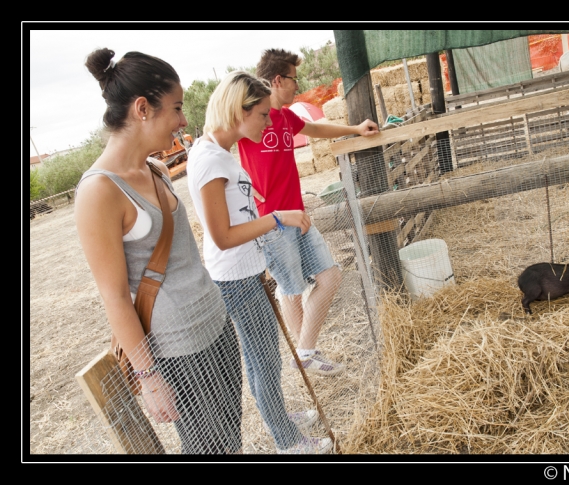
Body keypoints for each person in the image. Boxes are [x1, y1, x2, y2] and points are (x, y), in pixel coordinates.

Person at [76, 48, 243, 454]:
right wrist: (148, 375)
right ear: (142, 108)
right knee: (208, 449)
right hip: (178, 349)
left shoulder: (154, 168)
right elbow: (114, 295)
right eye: (176, 108)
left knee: (230, 440)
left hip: (215, 325)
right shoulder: (99, 192)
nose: (184, 120)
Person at [186, 70, 332, 454]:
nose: (269, 122)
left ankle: (279, 418)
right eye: (263, 114)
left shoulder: (218, 154)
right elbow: (222, 236)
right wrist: (278, 217)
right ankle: (286, 440)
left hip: (247, 271)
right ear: (240, 110)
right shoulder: (210, 160)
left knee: (265, 356)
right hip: (234, 279)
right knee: (264, 360)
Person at [238, 48, 380, 376]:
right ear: (277, 79)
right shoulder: (248, 117)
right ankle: (306, 355)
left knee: (330, 275)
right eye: (293, 80)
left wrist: (356, 129)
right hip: (272, 222)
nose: (296, 87)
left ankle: (304, 352)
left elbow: (316, 130)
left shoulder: (287, 117)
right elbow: (219, 140)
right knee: (290, 290)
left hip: (299, 215)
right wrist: (240, 184)